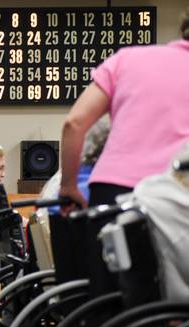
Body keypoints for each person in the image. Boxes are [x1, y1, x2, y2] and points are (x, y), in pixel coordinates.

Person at [60, 7, 189, 210]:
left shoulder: (126, 58)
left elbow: (73, 123)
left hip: (112, 190)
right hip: (177, 194)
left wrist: (68, 186)